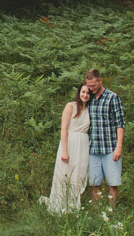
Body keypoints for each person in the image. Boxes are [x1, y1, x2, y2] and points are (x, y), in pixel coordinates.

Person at [39, 82, 92, 214]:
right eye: (83, 92)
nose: (85, 95)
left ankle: (72, 207)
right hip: (70, 143)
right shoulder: (71, 106)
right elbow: (63, 129)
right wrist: (65, 150)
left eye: (88, 93)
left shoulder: (90, 110)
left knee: (78, 176)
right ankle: (58, 206)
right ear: (79, 92)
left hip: (83, 145)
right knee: (64, 175)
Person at [85, 68, 125, 205]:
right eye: (88, 85)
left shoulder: (112, 97)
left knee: (112, 184)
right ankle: (96, 213)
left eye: (93, 85)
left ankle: (112, 213)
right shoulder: (88, 98)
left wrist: (118, 147)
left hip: (110, 148)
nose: (90, 88)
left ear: (100, 81)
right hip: (93, 149)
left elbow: (120, 123)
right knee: (94, 184)